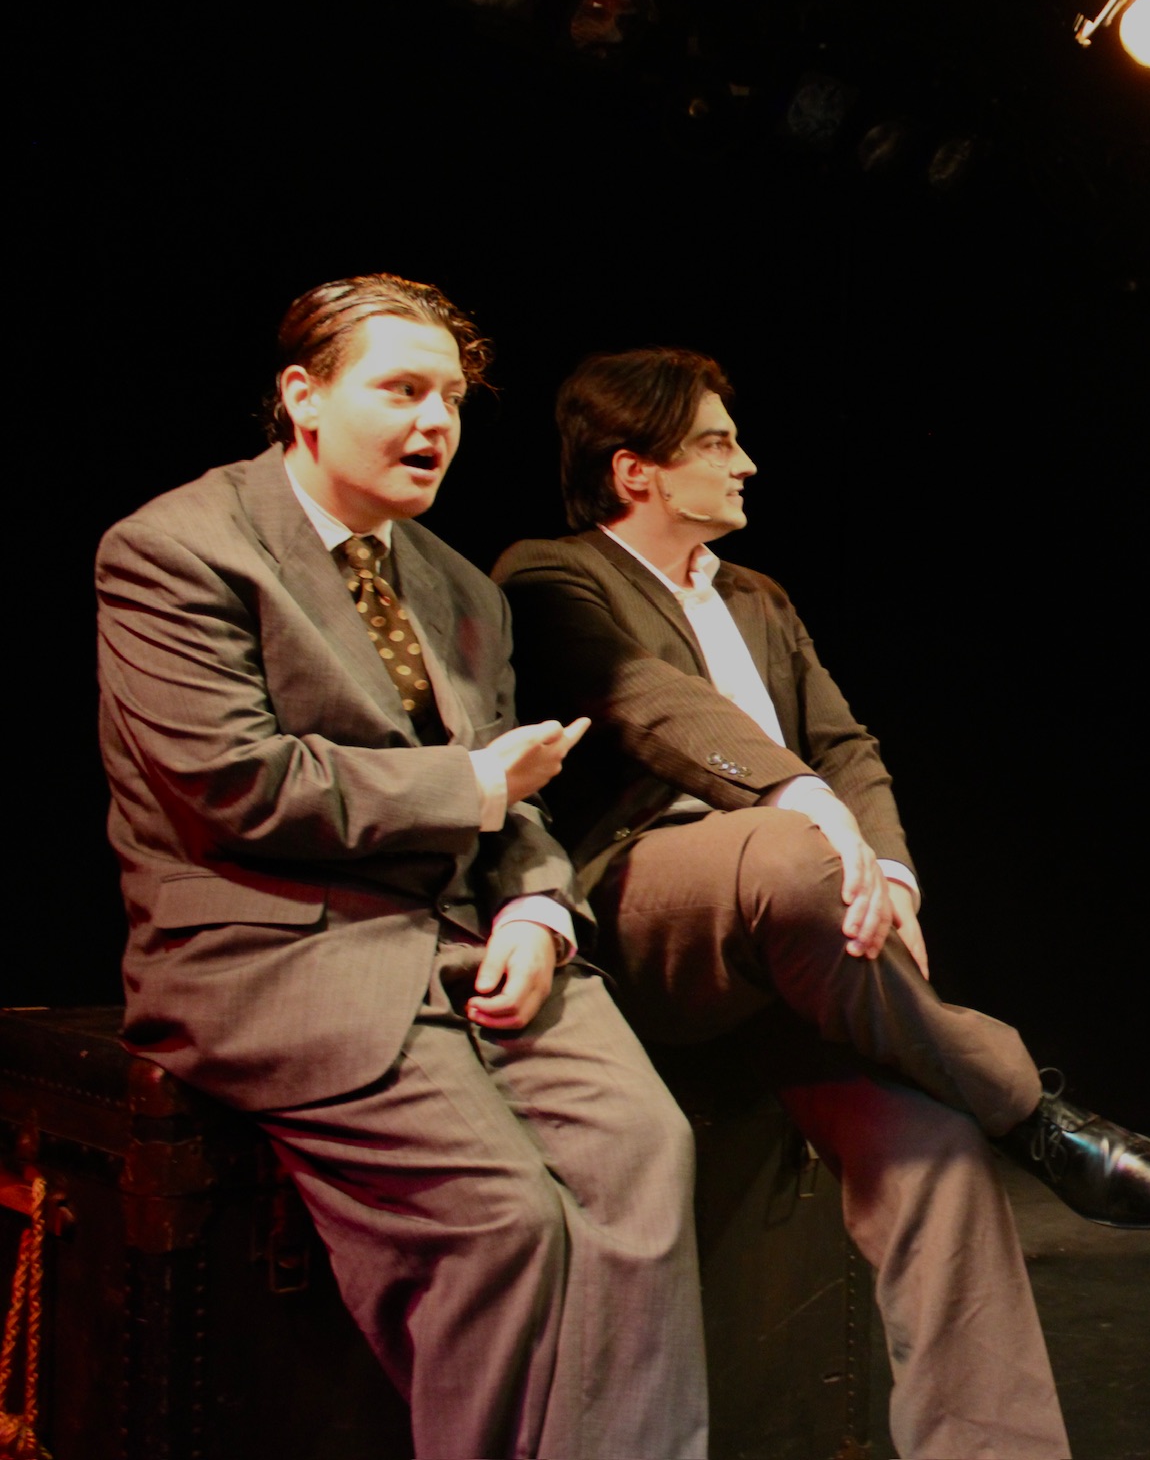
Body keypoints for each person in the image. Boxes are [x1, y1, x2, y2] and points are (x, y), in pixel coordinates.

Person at [492, 346, 1150, 1460]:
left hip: (804, 928)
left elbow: (847, 743)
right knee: (782, 851)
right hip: (651, 909)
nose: (748, 464)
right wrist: (808, 808)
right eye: (718, 444)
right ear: (637, 471)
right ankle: (1030, 1107)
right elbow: (647, 705)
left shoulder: (759, 597)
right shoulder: (551, 573)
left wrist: (892, 872)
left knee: (936, 1161)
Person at [93, 276, 707, 1458]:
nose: (436, 423)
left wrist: (536, 907)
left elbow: (508, 788)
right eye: (402, 391)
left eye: (454, 400)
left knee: (645, 1157)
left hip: (467, 938)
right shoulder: (175, 551)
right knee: (502, 1222)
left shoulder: (462, 587)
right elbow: (233, 785)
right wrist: (474, 793)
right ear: (302, 398)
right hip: (276, 945)